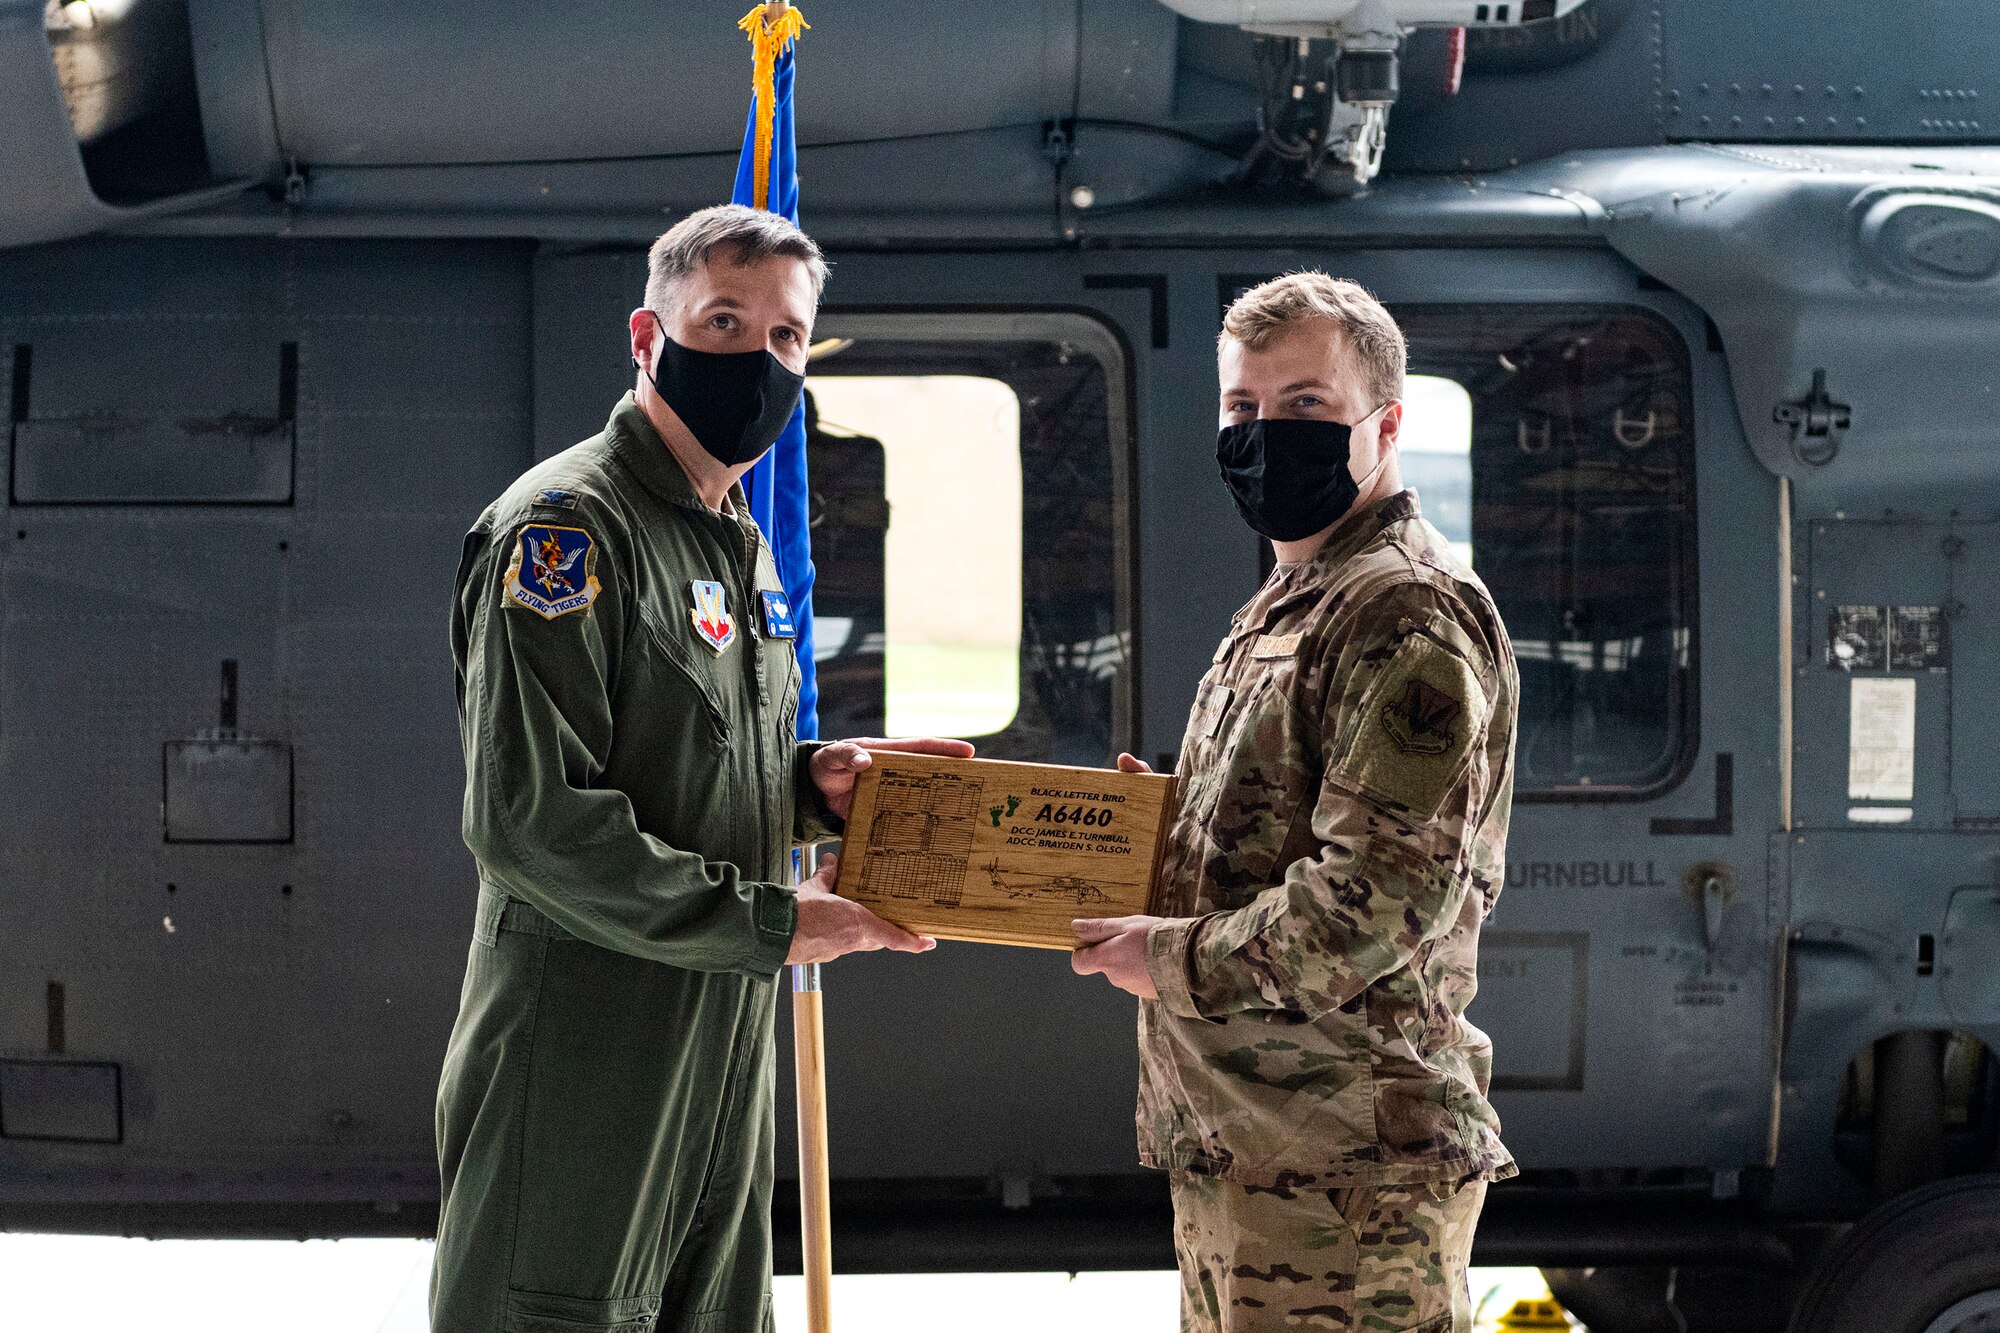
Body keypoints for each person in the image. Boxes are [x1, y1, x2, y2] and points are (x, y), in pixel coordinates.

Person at [432, 203, 970, 1333]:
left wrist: (810, 786)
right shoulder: (567, 531)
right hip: (585, 1055)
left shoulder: (735, 538)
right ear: (647, 336)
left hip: (717, 1052)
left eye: (784, 337)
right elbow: (527, 817)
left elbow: (684, 760)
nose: (757, 359)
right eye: (723, 322)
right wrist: (775, 923)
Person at [1072, 272, 1519, 1333]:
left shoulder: (1402, 609)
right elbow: (1290, 817)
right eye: (1244, 409)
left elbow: (1370, 904)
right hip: (1255, 1143)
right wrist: (1166, 829)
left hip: (1344, 1172)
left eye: (1305, 407)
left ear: (1385, 421)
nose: (1267, 434)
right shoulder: (1295, 596)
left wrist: (1165, 955)